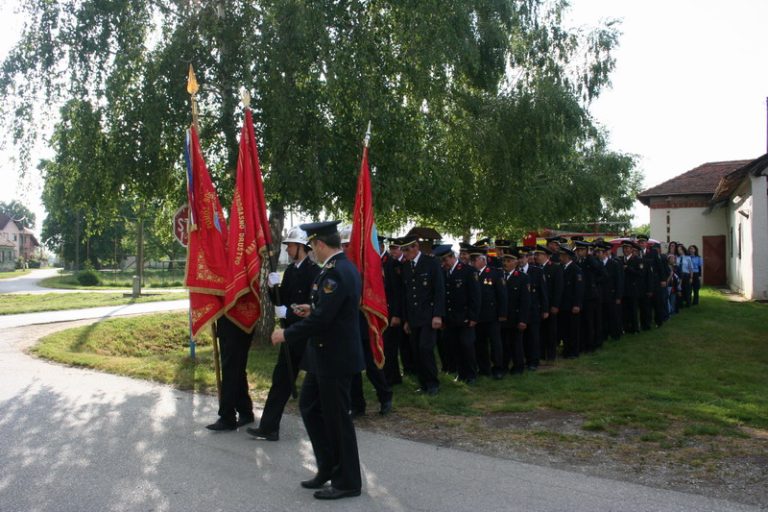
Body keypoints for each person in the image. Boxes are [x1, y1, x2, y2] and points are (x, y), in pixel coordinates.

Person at [270, 220, 365, 500]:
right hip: (323, 355)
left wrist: (287, 334)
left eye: (312, 246)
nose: (312, 251)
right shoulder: (333, 269)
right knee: (309, 407)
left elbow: (325, 320)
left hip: (335, 356)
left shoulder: (338, 272)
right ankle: (328, 467)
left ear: (321, 244)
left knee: (337, 419)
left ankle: (348, 481)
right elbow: (328, 310)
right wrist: (310, 309)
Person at [247, 227, 320, 441]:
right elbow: (282, 298)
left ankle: (334, 422)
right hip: (291, 334)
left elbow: (313, 307)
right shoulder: (290, 271)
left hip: (306, 335)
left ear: (301, 247)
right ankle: (269, 427)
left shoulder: (314, 272)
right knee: (281, 379)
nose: (287, 249)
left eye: (290, 246)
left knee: (318, 382)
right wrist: (273, 288)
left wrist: (289, 313)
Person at [396, 235, 445, 395]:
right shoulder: (406, 266)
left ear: (416, 247)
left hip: (428, 315)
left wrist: (437, 315)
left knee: (425, 348)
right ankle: (423, 383)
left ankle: (432, 383)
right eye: (403, 250)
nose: (404, 253)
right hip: (413, 316)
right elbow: (405, 295)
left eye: (407, 249)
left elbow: (439, 290)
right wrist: (406, 320)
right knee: (416, 350)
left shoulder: (431, 263)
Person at [434, 244, 480, 383]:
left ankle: (471, 374)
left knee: (467, 346)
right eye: (442, 261)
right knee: (454, 346)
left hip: (465, 317)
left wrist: (473, 317)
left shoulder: (468, 271)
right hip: (450, 318)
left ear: (451, 257)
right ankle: (461, 373)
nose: (443, 264)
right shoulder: (443, 273)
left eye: (445, 260)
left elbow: (475, 296)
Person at [205, 315, 255, 431]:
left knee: (231, 370)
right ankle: (245, 411)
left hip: (238, 322)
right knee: (236, 370)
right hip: (227, 321)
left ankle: (227, 417)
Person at [470, 244, 507, 379]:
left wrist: (502, 313)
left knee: (495, 343)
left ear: (483, 260)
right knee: (480, 343)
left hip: (492, 315)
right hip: (478, 315)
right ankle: (484, 368)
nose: (472, 263)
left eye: (475, 260)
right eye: (472, 260)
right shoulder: (472, 274)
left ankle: (498, 368)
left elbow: (502, 294)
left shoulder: (495, 273)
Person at [500, 249, 530, 374]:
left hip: (515, 317)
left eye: (508, 261)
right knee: (503, 344)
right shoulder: (499, 276)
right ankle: (503, 366)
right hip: (502, 317)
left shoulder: (522, 278)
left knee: (516, 343)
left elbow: (525, 301)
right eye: (504, 260)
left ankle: (518, 367)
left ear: (516, 262)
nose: (505, 263)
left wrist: (523, 320)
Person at [558, 245, 584, 359]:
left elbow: (579, 289)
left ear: (567, 256)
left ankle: (574, 351)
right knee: (564, 329)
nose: (560, 257)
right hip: (563, 304)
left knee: (573, 329)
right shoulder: (561, 268)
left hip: (572, 305)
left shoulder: (575, 269)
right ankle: (567, 349)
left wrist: (577, 304)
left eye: (562, 255)